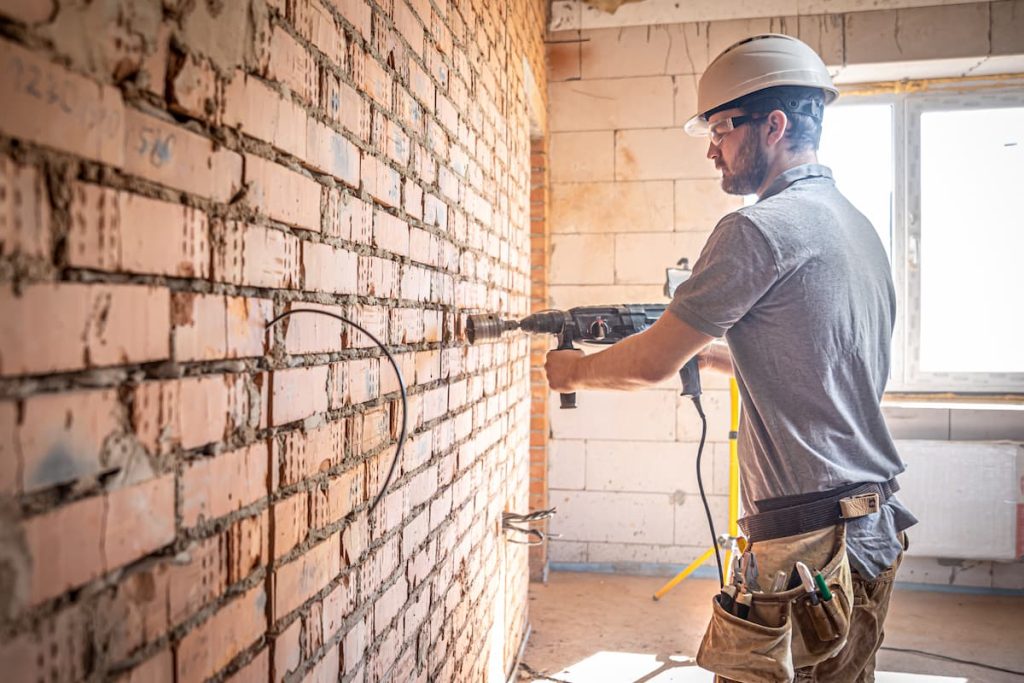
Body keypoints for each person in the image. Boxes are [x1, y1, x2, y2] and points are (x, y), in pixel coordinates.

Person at [543, 34, 916, 682]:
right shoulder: (855, 226)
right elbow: (822, 358)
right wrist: (722, 358)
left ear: (773, 125)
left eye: (720, 128)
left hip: (804, 559)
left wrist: (570, 371)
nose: (711, 147)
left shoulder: (755, 229)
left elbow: (653, 360)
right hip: (871, 538)